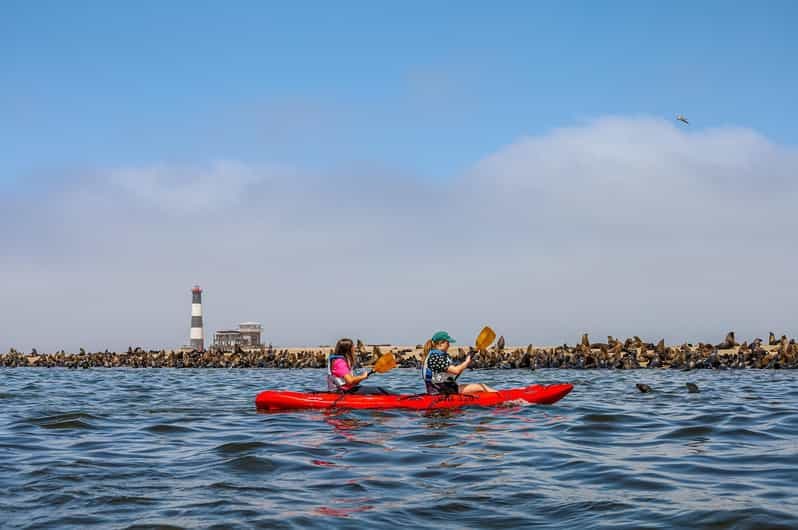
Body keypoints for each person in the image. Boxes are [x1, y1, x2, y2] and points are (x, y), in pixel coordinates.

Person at [421, 331, 497, 395]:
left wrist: (467, 360)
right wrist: (466, 361)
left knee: (476, 390)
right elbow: (456, 370)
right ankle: (501, 398)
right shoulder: (435, 357)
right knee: (481, 386)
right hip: (442, 391)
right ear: (440, 343)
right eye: (448, 343)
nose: (449, 345)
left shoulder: (436, 355)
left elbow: (455, 374)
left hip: (443, 389)